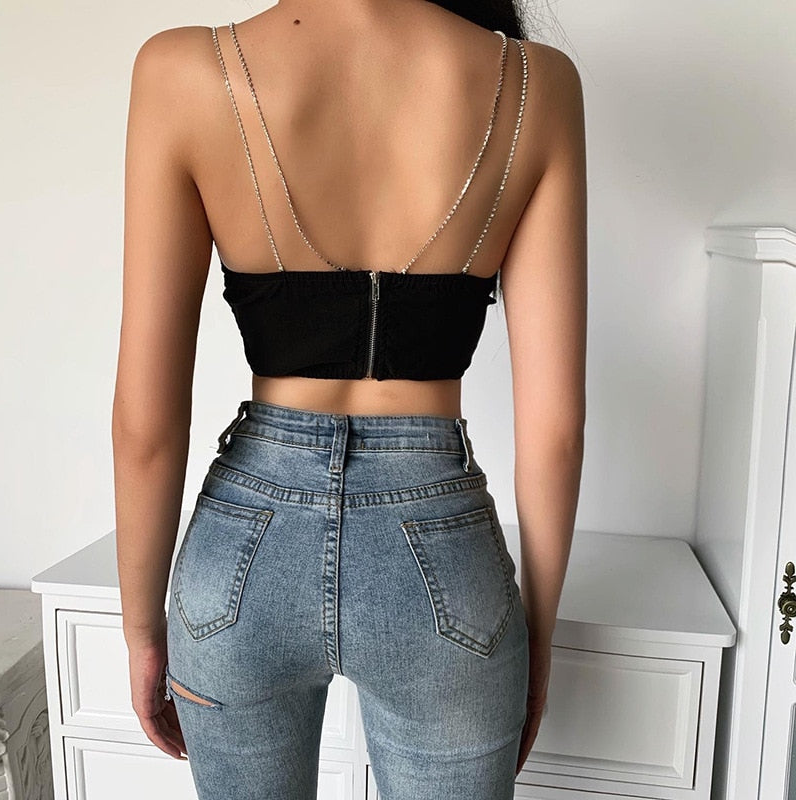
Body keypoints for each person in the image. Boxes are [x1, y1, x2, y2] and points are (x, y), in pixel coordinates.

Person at [112, 1, 586, 798]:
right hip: (443, 558)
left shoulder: (181, 71)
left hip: (242, 560)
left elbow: (145, 427)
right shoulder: (537, 83)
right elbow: (556, 432)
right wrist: (537, 641)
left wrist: (139, 632)